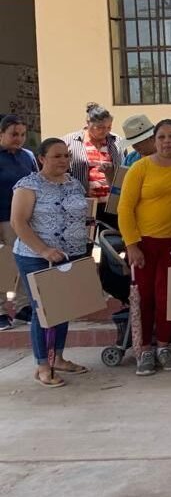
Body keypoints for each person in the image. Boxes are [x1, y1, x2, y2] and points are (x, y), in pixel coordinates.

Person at [118, 119, 171, 376]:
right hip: (144, 244)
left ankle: (164, 346)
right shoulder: (140, 168)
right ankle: (144, 349)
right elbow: (125, 208)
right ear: (154, 141)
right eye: (162, 137)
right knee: (144, 296)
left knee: (168, 296)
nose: (167, 141)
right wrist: (132, 244)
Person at [10, 138, 90, 388]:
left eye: (66, 156)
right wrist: (43, 250)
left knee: (62, 307)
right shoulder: (28, 185)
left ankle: (59, 356)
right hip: (35, 256)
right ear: (42, 159)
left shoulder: (74, 184)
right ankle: (43, 364)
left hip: (70, 255)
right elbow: (19, 222)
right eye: (57, 156)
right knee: (43, 310)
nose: (63, 161)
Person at [0, 115, 37, 330]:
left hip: (21, 220)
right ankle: (2, 311)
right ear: (2, 133)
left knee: (24, 261)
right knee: (1, 264)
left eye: (22, 135)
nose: (19, 139)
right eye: (14, 134)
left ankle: (24, 307)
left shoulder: (28, 156)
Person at [62, 102, 122, 227]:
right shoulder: (69, 141)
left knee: (112, 241)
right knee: (85, 242)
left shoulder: (116, 141)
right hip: (83, 204)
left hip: (111, 205)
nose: (105, 131)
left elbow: (122, 170)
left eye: (109, 127)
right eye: (100, 127)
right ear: (88, 123)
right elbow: (62, 172)